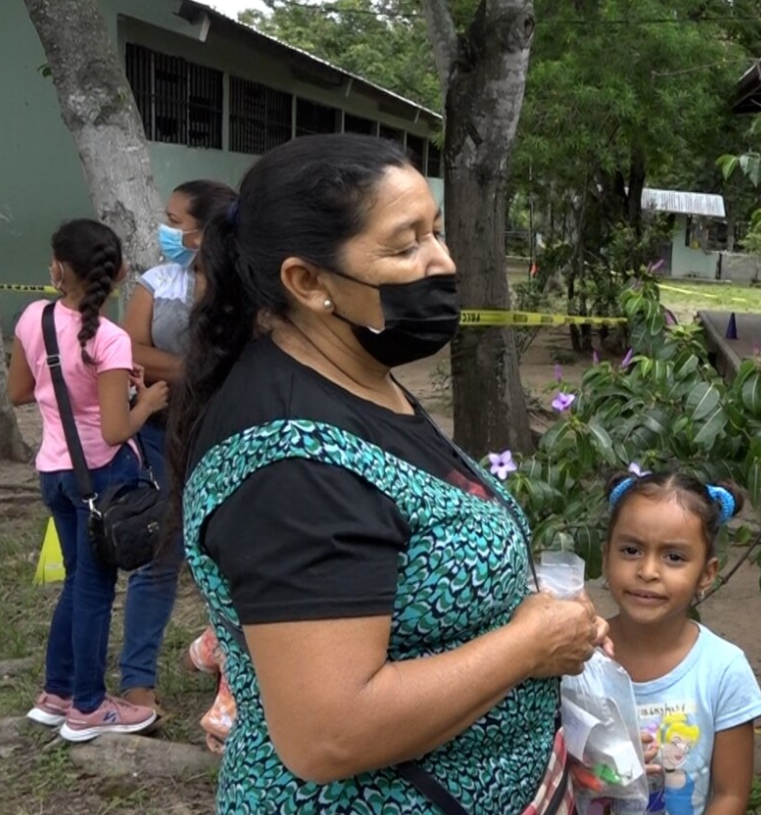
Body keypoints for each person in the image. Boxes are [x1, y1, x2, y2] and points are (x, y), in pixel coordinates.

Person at [167, 133, 608, 815]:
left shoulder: (358, 377)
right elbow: (329, 732)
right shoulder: (291, 463)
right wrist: (528, 644)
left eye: (435, 231)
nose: (443, 262)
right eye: (405, 246)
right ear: (307, 282)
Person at [11, 219, 170, 741]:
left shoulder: (33, 316)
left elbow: (17, 393)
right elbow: (116, 427)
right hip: (103, 477)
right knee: (95, 593)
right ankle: (88, 706)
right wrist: (145, 402)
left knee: (77, 586)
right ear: (120, 272)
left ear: (57, 269)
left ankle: (57, 693)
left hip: (54, 472)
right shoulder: (110, 337)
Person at [119, 178, 237, 713]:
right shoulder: (156, 281)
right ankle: (138, 681)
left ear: (205, 231)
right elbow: (131, 349)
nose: (167, 229)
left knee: (237, 557)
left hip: (226, 432)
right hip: (159, 433)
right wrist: (200, 370)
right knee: (158, 558)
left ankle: (231, 676)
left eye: (176, 220)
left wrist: (183, 372)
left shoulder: (241, 287)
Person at [590, 471, 761, 815]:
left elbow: (730, 795)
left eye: (674, 557)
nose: (648, 570)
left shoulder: (723, 671)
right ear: (605, 557)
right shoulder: (578, 658)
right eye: (630, 550)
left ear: (706, 574)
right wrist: (600, 770)